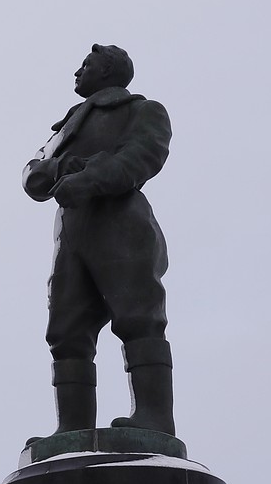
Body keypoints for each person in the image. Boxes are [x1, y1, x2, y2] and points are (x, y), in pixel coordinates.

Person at [23, 44, 175, 437]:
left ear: (107, 71)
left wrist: (88, 178)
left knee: (139, 317)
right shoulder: (65, 128)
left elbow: (143, 156)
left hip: (122, 225)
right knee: (66, 332)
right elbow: (32, 175)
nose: (77, 71)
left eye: (86, 64)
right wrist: (62, 166)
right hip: (71, 235)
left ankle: (155, 418)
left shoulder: (142, 110)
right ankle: (72, 428)